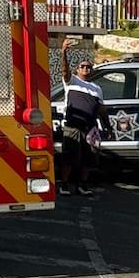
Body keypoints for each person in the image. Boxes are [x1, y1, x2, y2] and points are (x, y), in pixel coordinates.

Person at [58, 37, 110, 196]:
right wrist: (63, 52)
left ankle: (82, 185)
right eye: (83, 66)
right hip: (73, 126)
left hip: (90, 128)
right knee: (69, 157)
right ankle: (64, 185)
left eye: (89, 67)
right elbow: (64, 70)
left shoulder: (96, 88)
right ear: (77, 70)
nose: (86, 69)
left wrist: (107, 126)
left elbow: (101, 109)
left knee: (89, 158)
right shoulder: (71, 81)